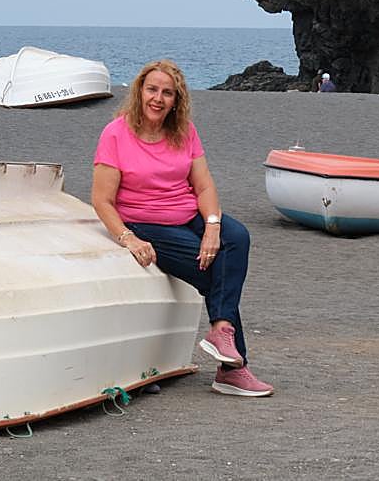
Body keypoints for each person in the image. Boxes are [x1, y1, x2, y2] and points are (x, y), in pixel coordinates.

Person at [90, 59, 274, 398]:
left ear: (177, 100)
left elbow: (204, 188)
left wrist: (213, 227)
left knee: (238, 238)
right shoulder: (115, 133)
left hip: (187, 214)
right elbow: (101, 199)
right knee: (216, 272)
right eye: (152, 90)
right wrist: (127, 237)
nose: (158, 99)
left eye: (167, 93)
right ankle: (233, 367)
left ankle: (222, 333)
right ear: (139, 92)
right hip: (145, 221)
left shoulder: (184, 131)